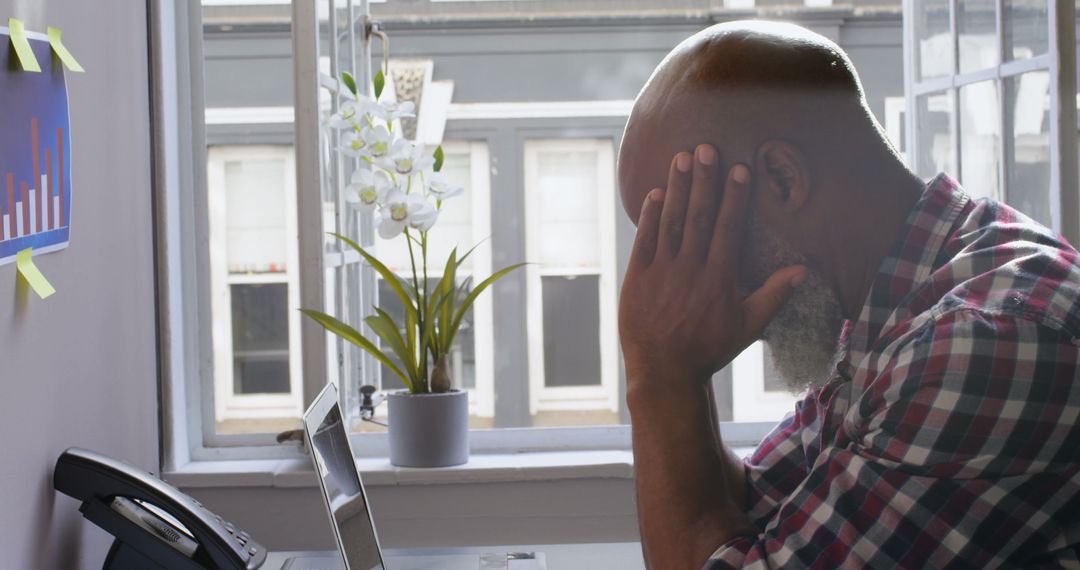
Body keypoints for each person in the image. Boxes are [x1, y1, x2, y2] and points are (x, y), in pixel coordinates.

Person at [617, 20, 1080, 569]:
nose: (686, 275)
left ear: (783, 178)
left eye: (685, 231)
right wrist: (678, 370)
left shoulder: (982, 341)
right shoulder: (892, 306)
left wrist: (660, 375)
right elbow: (760, 506)